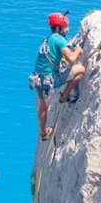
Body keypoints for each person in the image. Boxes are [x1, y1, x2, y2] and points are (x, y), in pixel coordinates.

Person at [29, 11, 86, 140]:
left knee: (43, 107)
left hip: (38, 79)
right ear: (58, 28)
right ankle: (64, 97)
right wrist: (78, 50)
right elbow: (72, 59)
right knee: (81, 70)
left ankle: (43, 133)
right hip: (51, 80)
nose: (68, 29)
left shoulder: (46, 40)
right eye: (65, 27)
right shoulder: (59, 40)